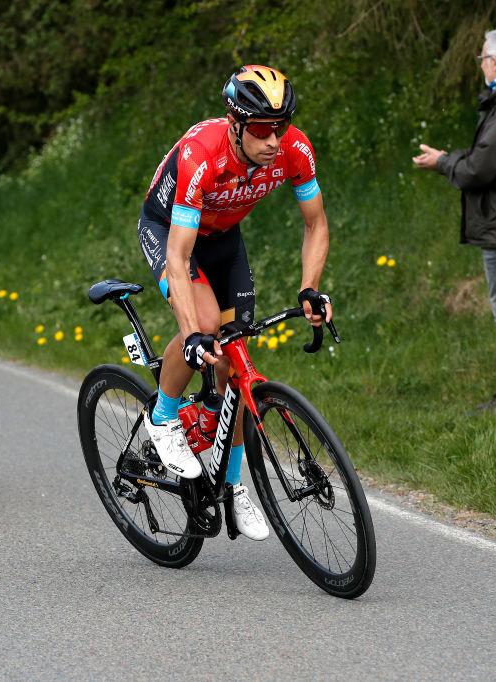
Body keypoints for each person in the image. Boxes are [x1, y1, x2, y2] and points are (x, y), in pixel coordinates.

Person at [137, 64, 333, 540]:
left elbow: (316, 225)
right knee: (204, 325)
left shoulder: (294, 149)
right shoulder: (203, 154)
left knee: (237, 364)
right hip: (170, 232)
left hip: (225, 240)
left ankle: (230, 482)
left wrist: (310, 287)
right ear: (236, 123)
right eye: (263, 130)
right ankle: (162, 417)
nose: (274, 140)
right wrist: (190, 335)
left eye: (280, 127)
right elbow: (180, 256)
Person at [413, 29, 496, 415]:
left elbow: (480, 169)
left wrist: (442, 161)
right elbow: (486, 158)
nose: (482, 66)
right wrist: (449, 159)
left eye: (482, 59)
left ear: (495, 63)